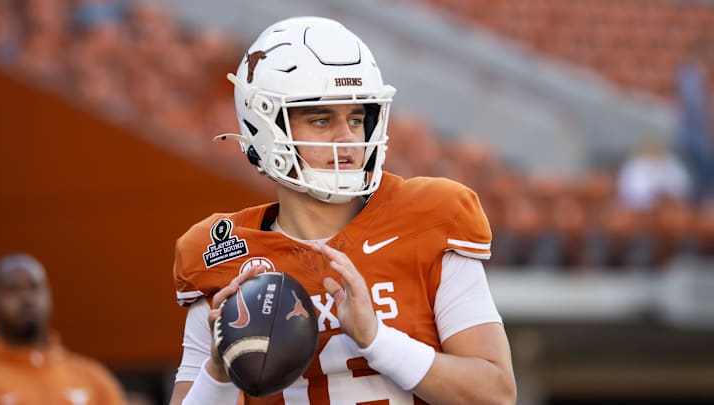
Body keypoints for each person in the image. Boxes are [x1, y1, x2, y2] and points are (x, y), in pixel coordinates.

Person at [170, 16, 516, 405]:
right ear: (264, 127)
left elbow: (495, 394)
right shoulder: (225, 254)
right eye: (321, 119)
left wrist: (376, 339)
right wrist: (218, 372)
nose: (348, 138)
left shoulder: (429, 218)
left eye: (356, 118)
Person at [0, 253, 126, 405]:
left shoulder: (93, 379)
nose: (27, 298)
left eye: (34, 287)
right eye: (13, 289)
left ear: (49, 295)